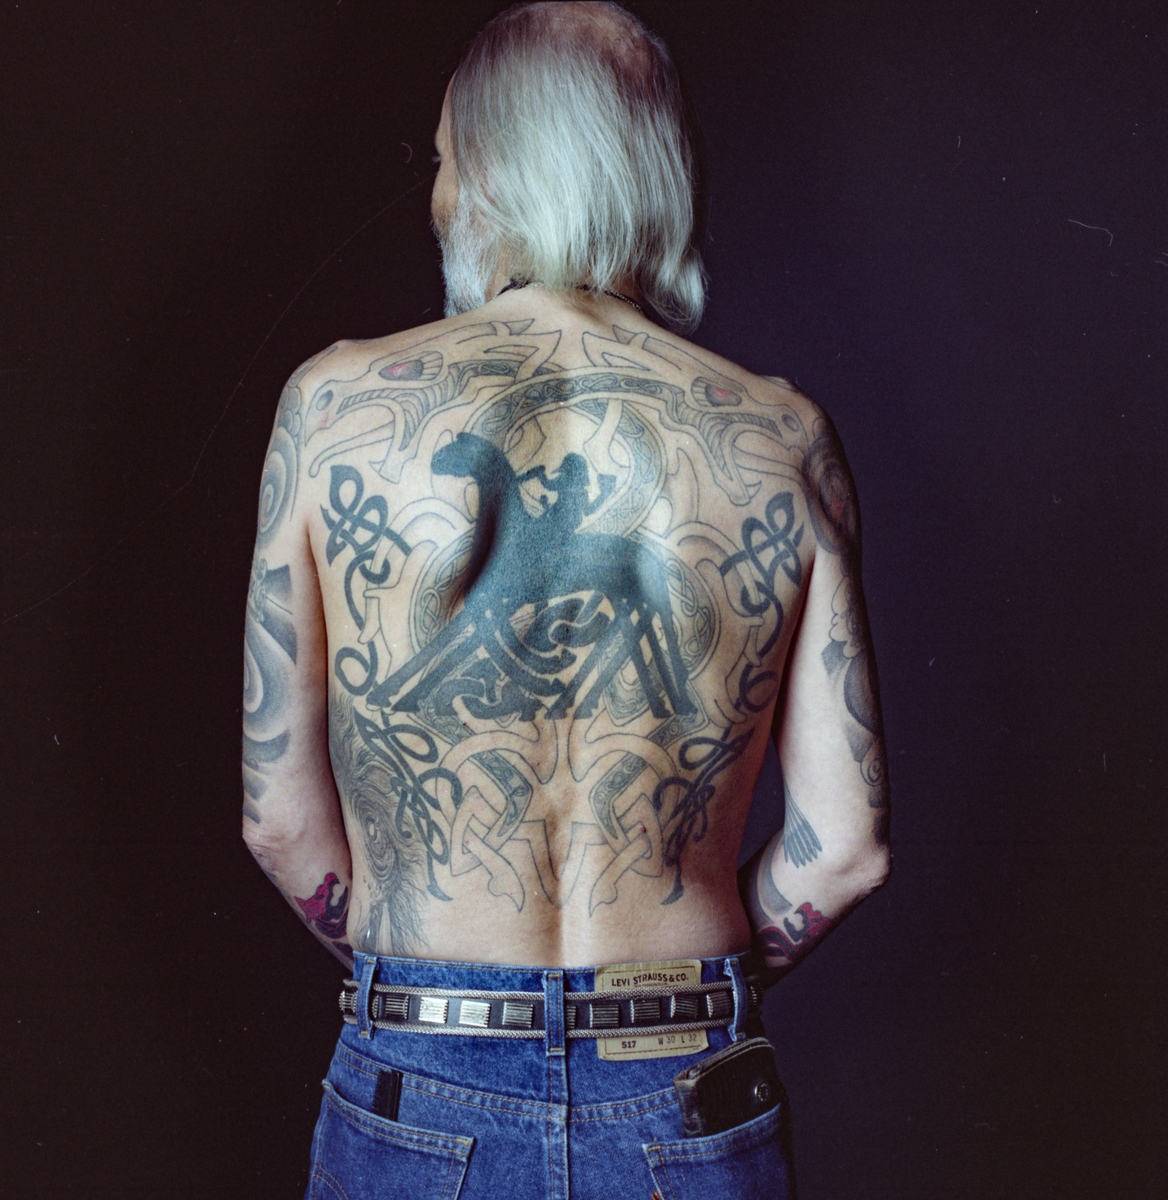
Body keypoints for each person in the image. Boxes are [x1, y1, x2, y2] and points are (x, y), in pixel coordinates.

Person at [241, 3, 890, 1196]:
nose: (438, 196)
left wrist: (421, 982)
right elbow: (841, 851)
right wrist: (683, 991)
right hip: (685, 1077)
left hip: (418, 1067)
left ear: (492, 171)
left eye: (445, 162)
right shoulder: (780, 435)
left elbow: (279, 822)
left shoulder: (335, 408)